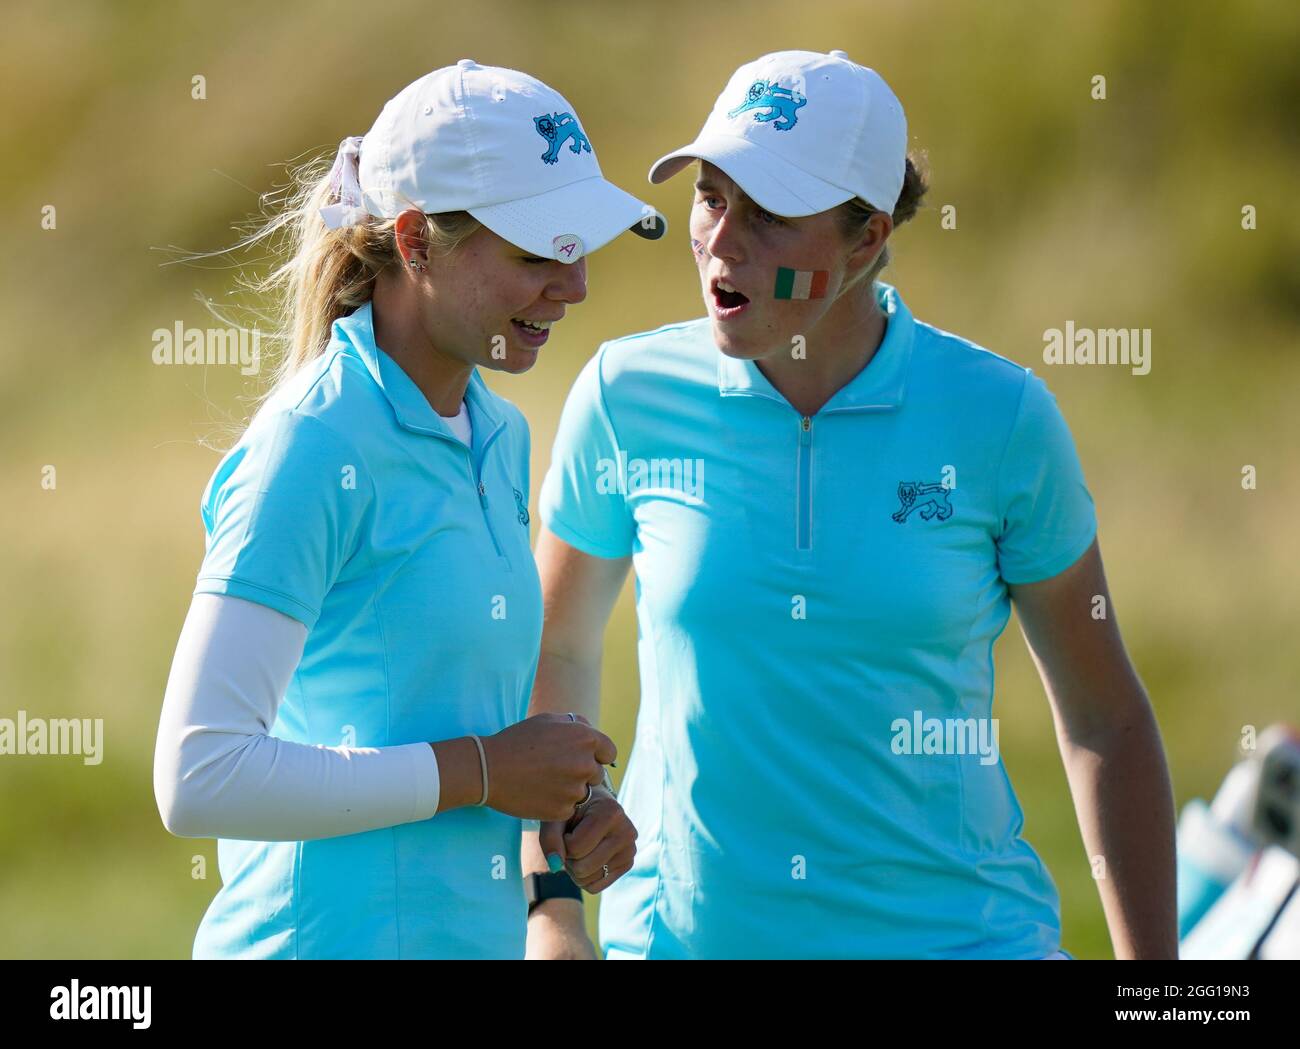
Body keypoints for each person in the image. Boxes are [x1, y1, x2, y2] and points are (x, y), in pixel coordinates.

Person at [522, 49, 1178, 959]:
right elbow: (552, 650)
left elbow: (1105, 717)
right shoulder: (627, 397)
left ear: (867, 236)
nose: (722, 239)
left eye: (771, 213)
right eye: (712, 196)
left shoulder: (999, 417)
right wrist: (552, 899)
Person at [152, 59, 663, 959]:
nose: (574, 285)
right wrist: (481, 771)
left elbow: (455, 736)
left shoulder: (497, 434)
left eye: (578, 250)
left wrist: (565, 811)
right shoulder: (314, 444)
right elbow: (199, 774)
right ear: (418, 239)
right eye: (536, 253)